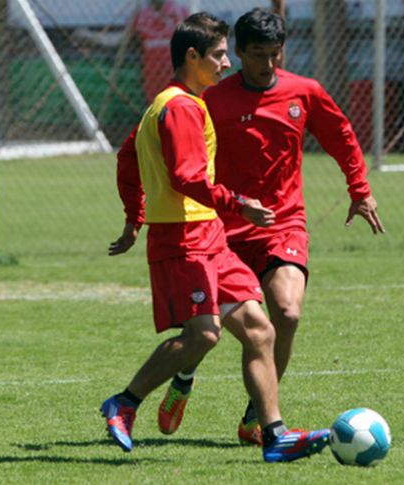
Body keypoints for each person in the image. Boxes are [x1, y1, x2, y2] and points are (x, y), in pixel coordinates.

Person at [101, 11, 330, 463]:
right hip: (184, 237)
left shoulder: (171, 103)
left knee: (261, 331)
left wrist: (134, 216)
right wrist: (237, 203)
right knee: (204, 336)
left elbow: (127, 157)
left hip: (210, 237)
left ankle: (274, 435)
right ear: (193, 56)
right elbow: (188, 176)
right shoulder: (182, 107)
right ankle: (124, 402)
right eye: (220, 55)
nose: (227, 64)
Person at [158, 8, 385, 446]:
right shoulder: (212, 99)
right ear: (238, 53)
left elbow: (341, 136)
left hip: (283, 225)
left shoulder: (306, 92)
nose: (267, 63)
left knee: (287, 312)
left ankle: (258, 418)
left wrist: (360, 190)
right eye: (257, 54)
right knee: (204, 331)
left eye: (274, 53)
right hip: (221, 229)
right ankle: (183, 376)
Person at [132, 0, 190, 104]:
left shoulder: (180, 14)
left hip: (176, 72)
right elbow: (129, 41)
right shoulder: (141, 16)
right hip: (151, 73)